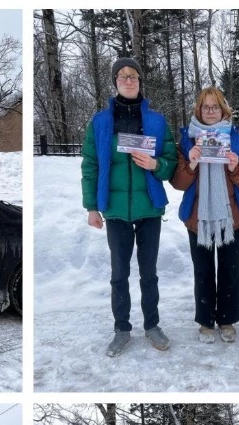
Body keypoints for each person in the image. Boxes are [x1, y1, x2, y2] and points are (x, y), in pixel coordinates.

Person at [81, 57, 178, 357]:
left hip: (149, 207)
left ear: (140, 81)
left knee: (149, 273)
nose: (128, 80)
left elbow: (172, 161)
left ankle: (152, 325)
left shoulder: (157, 121)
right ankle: (122, 329)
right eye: (122, 76)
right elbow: (91, 164)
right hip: (115, 210)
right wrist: (92, 207)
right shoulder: (99, 122)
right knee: (119, 273)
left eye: (133, 75)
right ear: (115, 82)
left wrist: (156, 164)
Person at [171, 88, 239, 344]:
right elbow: (177, 181)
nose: (211, 111)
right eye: (206, 107)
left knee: (230, 271)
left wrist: (235, 168)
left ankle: (227, 319)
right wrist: (191, 163)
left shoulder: (237, 140)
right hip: (198, 218)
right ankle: (206, 321)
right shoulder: (187, 141)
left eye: (216, 107)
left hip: (232, 217)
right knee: (204, 270)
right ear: (199, 110)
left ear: (224, 110)